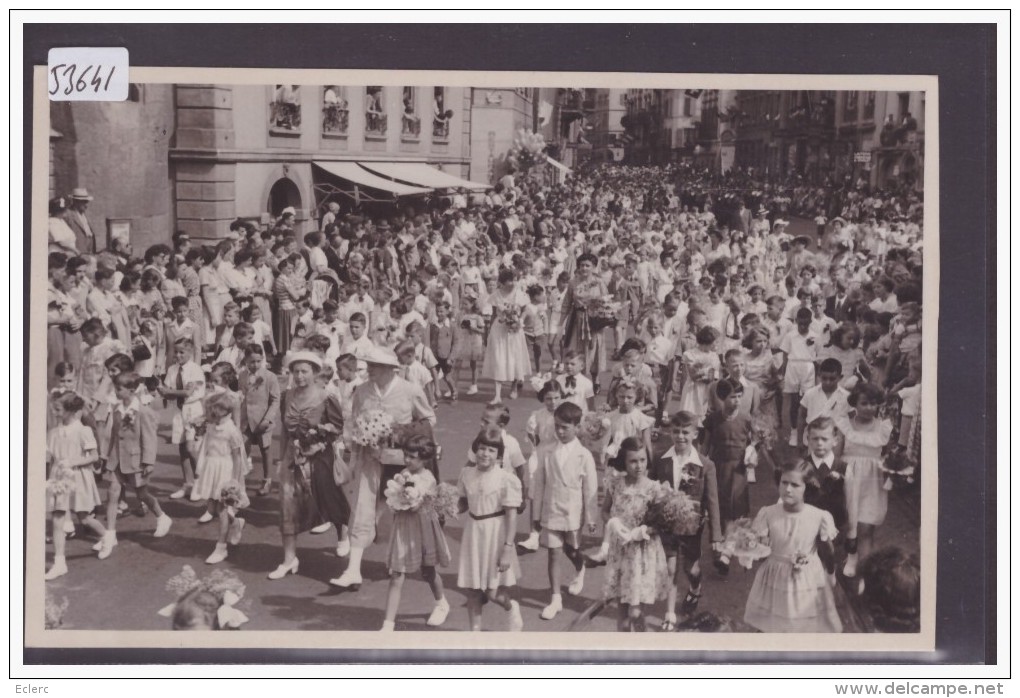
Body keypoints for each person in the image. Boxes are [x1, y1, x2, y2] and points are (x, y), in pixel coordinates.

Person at [331, 345, 435, 589]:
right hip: (370, 460)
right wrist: (353, 454)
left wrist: (400, 433)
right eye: (368, 366)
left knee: (396, 511)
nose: (369, 370)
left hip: (402, 462)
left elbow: (428, 420)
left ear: (390, 369)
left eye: (375, 366)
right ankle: (353, 569)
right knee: (361, 509)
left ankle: (396, 560)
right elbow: (353, 422)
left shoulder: (411, 390)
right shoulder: (362, 391)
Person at [269, 351, 349, 580]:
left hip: (320, 459)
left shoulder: (326, 397)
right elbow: (284, 430)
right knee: (287, 505)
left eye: (305, 371)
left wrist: (319, 441)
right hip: (293, 459)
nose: (300, 376)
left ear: (315, 373)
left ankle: (342, 536)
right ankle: (289, 559)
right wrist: (281, 459)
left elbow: (337, 428)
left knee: (330, 499)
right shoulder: (287, 397)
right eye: (296, 371)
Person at [743, 460, 842, 633]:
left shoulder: (818, 516)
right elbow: (762, 550)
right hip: (774, 577)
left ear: (807, 487)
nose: (788, 489)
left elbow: (827, 549)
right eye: (784, 483)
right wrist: (749, 551)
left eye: (795, 485)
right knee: (770, 625)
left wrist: (831, 573)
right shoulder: (768, 513)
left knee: (803, 625)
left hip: (806, 578)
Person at [650, 410, 723, 631]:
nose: (680, 436)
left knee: (690, 568)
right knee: (670, 569)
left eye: (685, 432)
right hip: (667, 524)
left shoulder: (705, 464)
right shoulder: (660, 459)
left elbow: (712, 501)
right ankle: (670, 613)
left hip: (692, 526)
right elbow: (652, 491)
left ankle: (695, 587)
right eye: (675, 431)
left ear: (694, 434)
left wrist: (716, 535)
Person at [531, 401, 599, 620]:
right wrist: (535, 514)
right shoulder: (546, 450)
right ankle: (555, 598)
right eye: (557, 426)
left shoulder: (584, 455)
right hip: (551, 509)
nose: (559, 431)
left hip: (572, 512)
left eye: (565, 427)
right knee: (553, 552)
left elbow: (590, 489)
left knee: (571, 550)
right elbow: (539, 483)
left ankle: (581, 568)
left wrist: (591, 517)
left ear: (577, 427)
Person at [456, 425, 524, 632]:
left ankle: (512, 607)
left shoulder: (506, 479)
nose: (485, 454)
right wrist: (446, 508)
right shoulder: (466, 473)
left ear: (499, 456)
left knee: (493, 592)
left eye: (491, 450)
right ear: (475, 449)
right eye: (482, 448)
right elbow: (463, 502)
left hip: (496, 535)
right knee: (473, 589)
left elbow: (511, 515)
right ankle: (475, 634)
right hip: (473, 533)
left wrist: (508, 548)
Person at [380, 436, 452, 631]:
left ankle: (441, 603)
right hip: (404, 527)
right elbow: (396, 498)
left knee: (428, 571)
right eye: (406, 455)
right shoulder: (403, 474)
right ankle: (388, 624)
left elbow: (416, 506)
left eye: (412, 456)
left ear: (424, 458)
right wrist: (395, 502)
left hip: (423, 527)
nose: (407, 460)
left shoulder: (428, 478)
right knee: (397, 573)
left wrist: (410, 498)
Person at [599, 437, 670, 631]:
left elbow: (661, 522)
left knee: (636, 613)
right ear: (624, 461)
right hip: (621, 552)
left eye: (642, 460)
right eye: (633, 461)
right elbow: (605, 510)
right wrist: (611, 522)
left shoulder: (654, 488)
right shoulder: (615, 484)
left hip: (642, 554)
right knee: (622, 615)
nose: (639, 466)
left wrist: (644, 530)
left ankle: (642, 645)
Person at [45, 391, 111, 579]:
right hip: (59, 478)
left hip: (79, 478)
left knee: (84, 519)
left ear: (71, 410)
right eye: (53, 407)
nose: (54, 411)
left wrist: (73, 462)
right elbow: (50, 459)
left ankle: (106, 537)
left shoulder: (83, 430)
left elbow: (94, 456)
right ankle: (59, 563)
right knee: (57, 518)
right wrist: (50, 477)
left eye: (58, 408)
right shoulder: (53, 432)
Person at [104, 372, 172, 545]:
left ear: (132, 390)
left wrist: (148, 462)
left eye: (119, 389)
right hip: (117, 459)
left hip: (136, 461)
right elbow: (114, 435)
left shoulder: (143, 412)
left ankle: (162, 516)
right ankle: (110, 534)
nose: (116, 392)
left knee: (142, 494)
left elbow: (149, 438)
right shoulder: (116, 409)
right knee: (112, 493)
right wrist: (107, 456)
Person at [837, 382, 893, 581]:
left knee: (867, 526)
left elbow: (889, 457)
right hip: (850, 479)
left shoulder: (883, 428)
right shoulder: (845, 425)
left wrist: (892, 471)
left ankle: (865, 571)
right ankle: (852, 556)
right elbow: (837, 455)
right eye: (864, 403)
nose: (869, 408)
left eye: (873, 404)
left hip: (873, 481)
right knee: (850, 521)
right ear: (855, 404)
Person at [193, 392, 251, 564]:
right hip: (212, 468)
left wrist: (234, 481)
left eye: (216, 410)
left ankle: (221, 548)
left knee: (222, 509)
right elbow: (206, 445)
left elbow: (237, 457)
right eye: (211, 409)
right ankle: (237, 523)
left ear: (226, 411)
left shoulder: (231, 431)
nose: (212, 412)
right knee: (215, 509)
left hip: (226, 470)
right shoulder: (211, 425)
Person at [701, 379, 754, 565]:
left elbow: (752, 445)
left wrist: (753, 455)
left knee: (736, 508)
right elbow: (706, 446)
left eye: (740, 396)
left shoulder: (746, 419)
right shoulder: (713, 419)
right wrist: (700, 467)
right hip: (717, 468)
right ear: (723, 398)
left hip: (738, 470)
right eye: (733, 397)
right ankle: (718, 544)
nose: (737, 400)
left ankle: (727, 551)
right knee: (717, 507)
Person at [159, 337, 205, 500]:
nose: (177, 355)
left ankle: (201, 483)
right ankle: (188, 483)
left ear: (190, 352)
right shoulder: (172, 369)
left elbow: (187, 393)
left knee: (192, 449)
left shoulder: (195, 369)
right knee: (182, 448)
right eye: (176, 352)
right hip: (179, 411)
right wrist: (160, 390)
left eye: (182, 352)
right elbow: (165, 389)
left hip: (194, 411)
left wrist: (168, 392)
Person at [560, 252, 610, 392]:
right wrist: (560, 324)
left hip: (594, 321)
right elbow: (566, 304)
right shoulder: (573, 282)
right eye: (582, 265)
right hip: (577, 320)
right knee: (577, 350)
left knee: (594, 350)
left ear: (594, 267)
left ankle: (595, 380)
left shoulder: (599, 282)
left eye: (588, 265)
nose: (584, 268)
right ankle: (578, 381)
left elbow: (607, 301)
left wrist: (602, 314)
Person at [481, 268, 531, 403]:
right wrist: (488, 334)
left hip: (515, 331)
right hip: (499, 330)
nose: (513, 283)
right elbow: (492, 315)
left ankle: (514, 387)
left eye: (514, 280)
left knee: (514, 358)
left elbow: (526, 309)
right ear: (502, 283)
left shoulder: (519, 293)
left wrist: (519, 320)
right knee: (499, 359)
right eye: (509, 280)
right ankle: (497, 395)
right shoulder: (496, 295)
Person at [239, 345, 280, 497]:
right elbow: (241, 397)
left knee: (265, 450)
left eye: (258, 361)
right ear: (245, 361)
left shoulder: (270, 377)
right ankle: (240, 480)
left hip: (263, 419)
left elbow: (275, 400)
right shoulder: (242, 376)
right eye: (251, 362)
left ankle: (267, 479)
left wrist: (267, 419)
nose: (254, 365)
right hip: (245, 420)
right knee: (243, 449)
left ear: (262, 359)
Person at [62, 188, 97, 255]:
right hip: (76, 253)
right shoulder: (67, 214)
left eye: (87, 202)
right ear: (75, 201)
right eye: (83, 202)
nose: (86, 205)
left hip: (88, 252)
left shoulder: (84, 215)